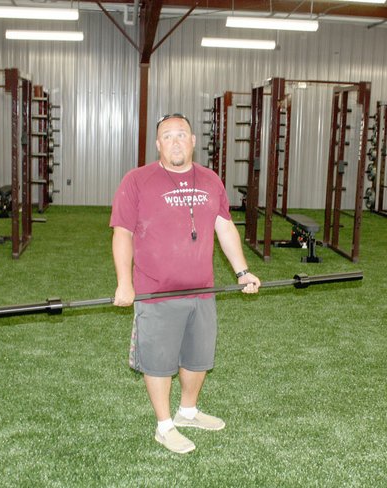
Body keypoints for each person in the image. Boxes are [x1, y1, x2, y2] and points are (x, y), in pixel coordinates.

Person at [110, 113, 261, 454]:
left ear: (193, 141)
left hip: (202, 289)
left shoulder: (210, 180)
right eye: (167, 136)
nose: (175, 141)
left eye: (182, 135)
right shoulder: (137, 180)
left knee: (198, 357)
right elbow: (123, 233)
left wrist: (242, 271)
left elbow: (224, 227)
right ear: (158, 144)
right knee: (159, 361)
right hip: (155, 292)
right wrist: (124, 282)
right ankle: (164, 426)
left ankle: (188, 412)